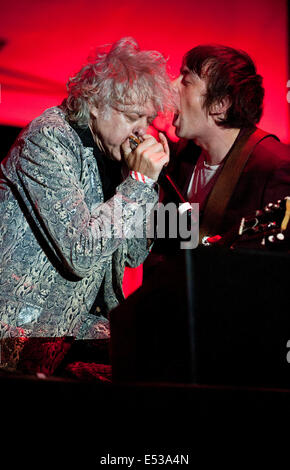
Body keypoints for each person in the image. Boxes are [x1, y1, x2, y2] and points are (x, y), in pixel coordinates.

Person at [0, 37, 175, 345]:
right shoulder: (49, 139)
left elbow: (132, 255)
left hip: (62, 330)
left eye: (147, 120)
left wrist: (143, 183)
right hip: (16, 335)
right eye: (133, 116)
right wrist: (138, 184)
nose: (142, 131)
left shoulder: (111, 157)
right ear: (95, 104)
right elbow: (80, 252)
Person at [170, 44, 290, 247]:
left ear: (220, 104)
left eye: (186, 80)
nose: (173, 86)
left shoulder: (275, 169)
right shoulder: (183, 154)